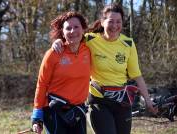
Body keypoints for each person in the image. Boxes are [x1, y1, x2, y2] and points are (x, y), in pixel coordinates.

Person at [52, 3, 158, 134]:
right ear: (102, 22)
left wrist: (148, 101)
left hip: (122, 102)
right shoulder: (90, 39)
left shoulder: (128, 43)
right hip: (98, 101)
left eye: (118, 22)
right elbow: (72, 38)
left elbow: (137, 76)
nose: (115, 26)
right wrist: (59, 41)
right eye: (111, 21)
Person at [31, 11, 91, 134]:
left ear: (83, 29)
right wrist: (37, 115)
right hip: (54, 110)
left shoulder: (89, 49)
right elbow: (42, 84)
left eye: (76, 27)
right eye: (68, 28)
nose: (72, 31)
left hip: (78, 111)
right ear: (62, 32)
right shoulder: (53, 53)